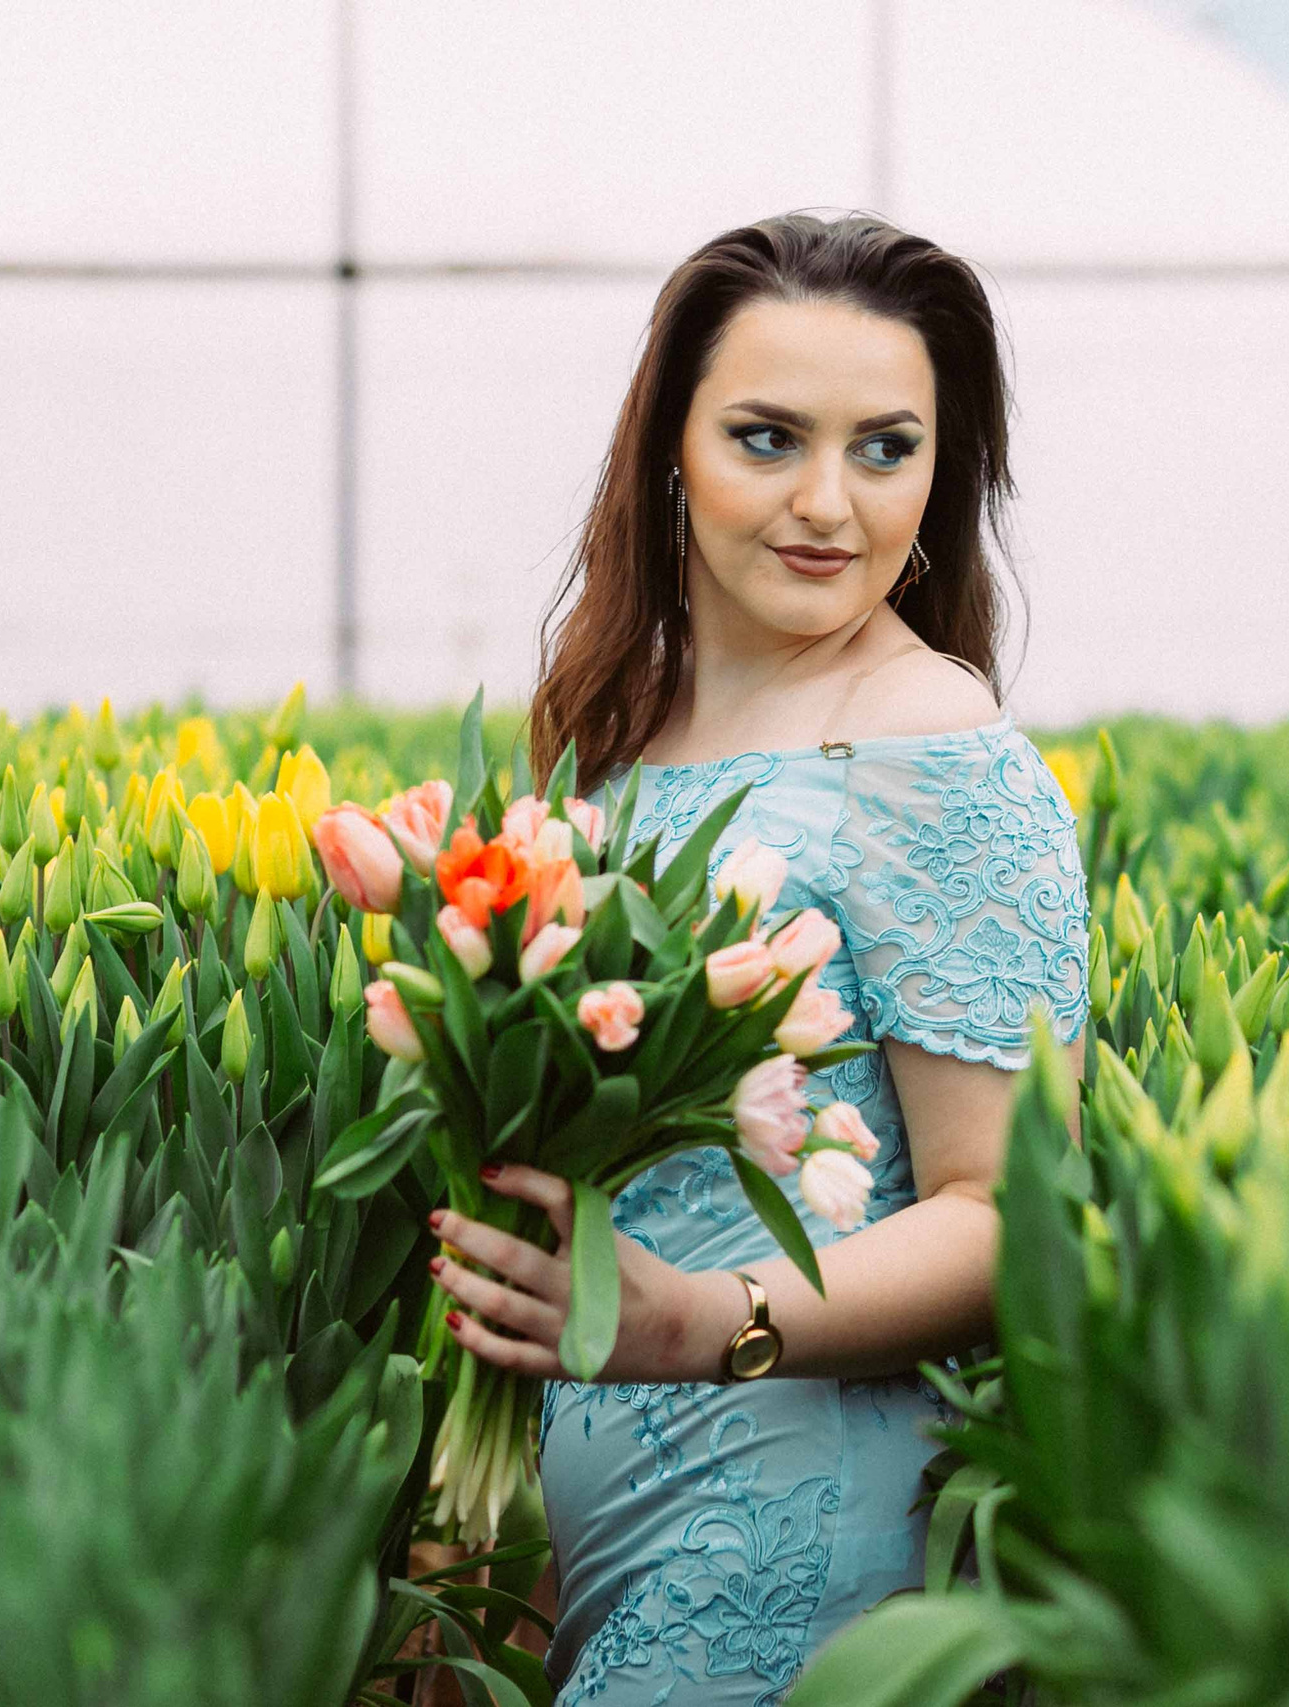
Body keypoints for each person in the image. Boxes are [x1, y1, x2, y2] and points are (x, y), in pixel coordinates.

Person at [423, 210, 1090, 1705]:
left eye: (885, 449)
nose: (827, 505)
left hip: (798, 1514)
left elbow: (1006, 1213)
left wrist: (702, 1322)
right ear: (670, 447)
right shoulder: (614, 732)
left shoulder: (934, 749)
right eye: (768, 438)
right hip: (590, 1514)